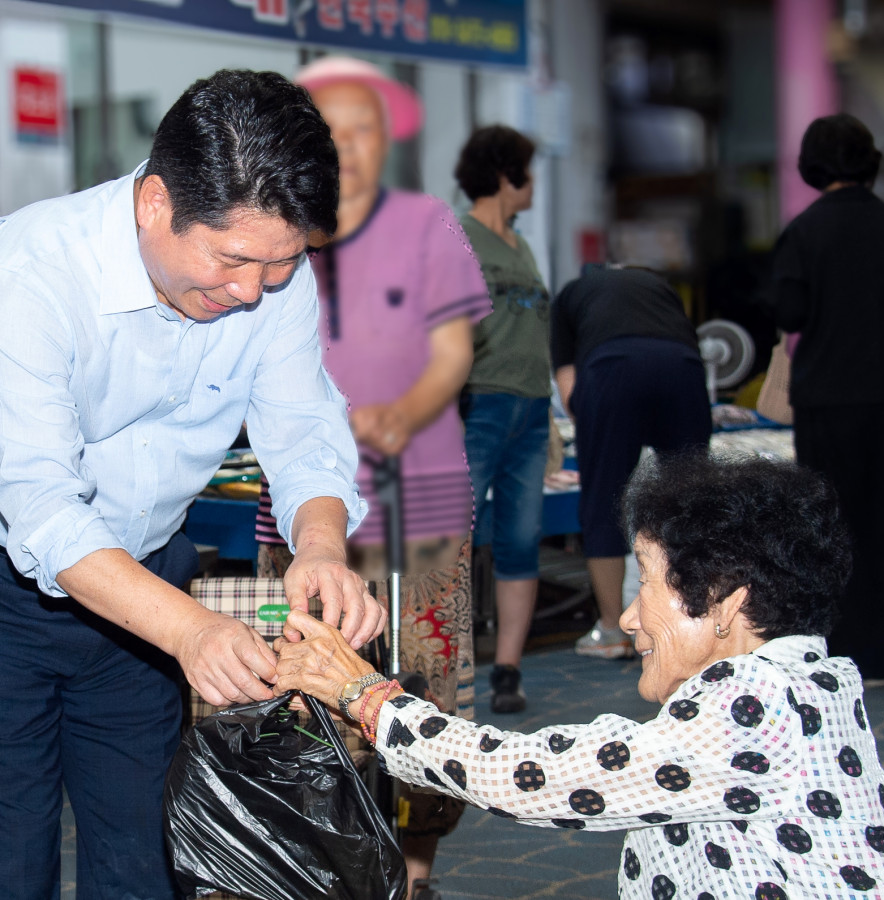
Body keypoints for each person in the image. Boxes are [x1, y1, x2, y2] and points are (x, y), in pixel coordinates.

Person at [0, 69, 386, 900]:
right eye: (233, 261)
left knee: (149, 846)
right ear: (155, 203)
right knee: (8, 852)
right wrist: (190, 634)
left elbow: (302, 427)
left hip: (142, 576)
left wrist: (321, 549)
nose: (253, 291)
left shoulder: (268, 267)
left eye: (283, 264)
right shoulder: (30, 270)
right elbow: (44, 510)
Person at [274, 454, 884, 899]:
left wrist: (367, 697)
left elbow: (541, 775)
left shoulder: (760, 705)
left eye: (648, 584)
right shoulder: (809, 683)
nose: (627, 616)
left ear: (724, 602)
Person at [253, 55, 490, 895]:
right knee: (305, 696)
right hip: (303, 520)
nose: (349, 147)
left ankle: (415, 872)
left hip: (421, 505)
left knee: (427, 697)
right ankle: (332, 866)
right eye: (332, 130)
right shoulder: (270, 232)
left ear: (386, 138)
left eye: (364, 128)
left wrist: (402, 413)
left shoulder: (432, 225)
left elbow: (454, 352)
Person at [768, 113, 884, 685]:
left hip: (829, 399)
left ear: (812, 165)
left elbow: (788, 311)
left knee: (835, 522)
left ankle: (855, 649)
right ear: (868, 162)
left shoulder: (805, 231)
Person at [551, 263, 711, 659]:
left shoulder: (572, 293)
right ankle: (695, 619)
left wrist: (593, 424)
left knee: (605, 499)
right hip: (682, 368)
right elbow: (686, 343)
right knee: (693, 500)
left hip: (612, 368)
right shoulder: (660, 285)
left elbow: (569, 382)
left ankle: (612, 631)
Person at [455, 125, 554, 714]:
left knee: (521, 538)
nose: (532, 181)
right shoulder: (459, 236)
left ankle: (508, 670)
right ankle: (450, 656)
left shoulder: (522, 245)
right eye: (527, 168)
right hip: (479, 403)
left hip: (533, 407)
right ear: (503, 172)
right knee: (453, 540)